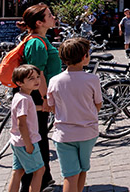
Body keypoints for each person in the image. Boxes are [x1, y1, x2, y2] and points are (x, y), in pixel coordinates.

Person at [47, 38, 102, 192]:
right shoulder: (92, 79)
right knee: (82, 170)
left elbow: (51, 106)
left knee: (70, 175)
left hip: (64, 134)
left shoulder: (54, 81)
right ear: (85, 57)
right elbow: (98, 103)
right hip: (87, 132)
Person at [17, 3, 59, 192]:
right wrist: (44, 97)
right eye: (49, 15)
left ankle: (43, 179)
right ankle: (35, 183)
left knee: (40, 136)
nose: (53, 17)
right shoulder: (36, 42)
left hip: (38, 95)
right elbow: (37, 74)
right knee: (36, 137)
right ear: (40, 22)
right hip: (35, 97)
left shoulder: (41, 39)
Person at [7, 65, 45, 192]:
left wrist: (43, 108)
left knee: (18, 171)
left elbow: (29, 111)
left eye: (38, 77)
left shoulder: (20, 96)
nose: (36, 81)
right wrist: (28, 143)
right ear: (19, 83)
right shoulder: (24, 99)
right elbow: (21, 123)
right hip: (26, 141)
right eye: (31, 78)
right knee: (39, 170)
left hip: (17, 141)